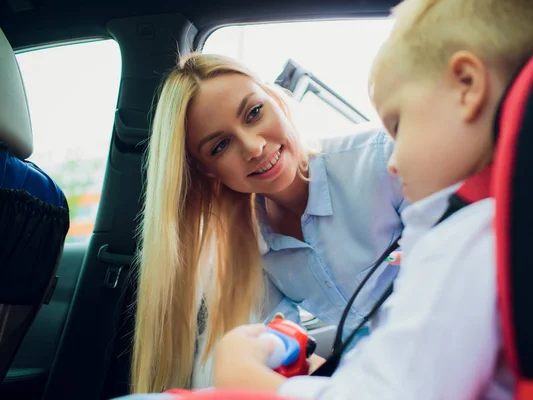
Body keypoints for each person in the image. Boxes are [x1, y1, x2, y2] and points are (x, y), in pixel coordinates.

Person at [202, 0, 533, 398]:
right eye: (219, 146)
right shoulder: (501, 224)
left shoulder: (463, 237)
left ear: (468, 86)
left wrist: (253, 383)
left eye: (399, 125)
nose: (393, 161)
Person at [131, 52, 406, 393]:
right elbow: (282, 355)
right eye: (220, 146)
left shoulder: (383, 158)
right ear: (207, 170)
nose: (254, 146)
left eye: (254, 113)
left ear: (276, 98)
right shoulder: (247, 252)